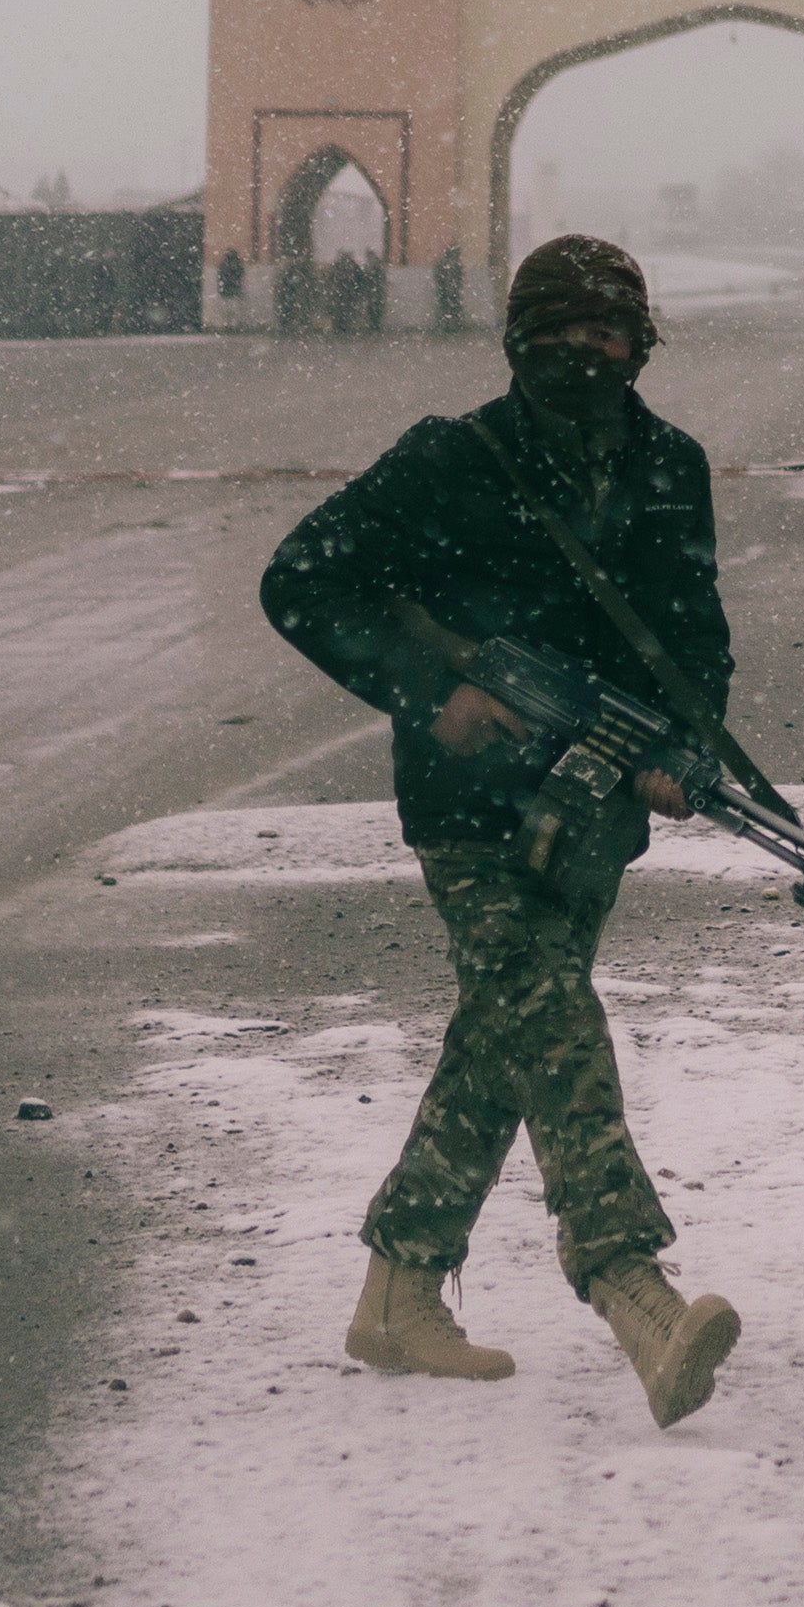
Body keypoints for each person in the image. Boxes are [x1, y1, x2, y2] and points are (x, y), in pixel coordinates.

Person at [259, 235, 746, 1426]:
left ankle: (397, 1292)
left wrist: (679, 757)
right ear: (518, 340)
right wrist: (434, 696)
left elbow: (693, 642)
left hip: (586, 813)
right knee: (551, 1018)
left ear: (641, 342)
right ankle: (633, 1286)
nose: (590, 356)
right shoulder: (447, 459)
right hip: (468, 806)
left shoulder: (668, 464)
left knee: (504, 1036)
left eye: (611, 335)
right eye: (564, 335)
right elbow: (298, 579)